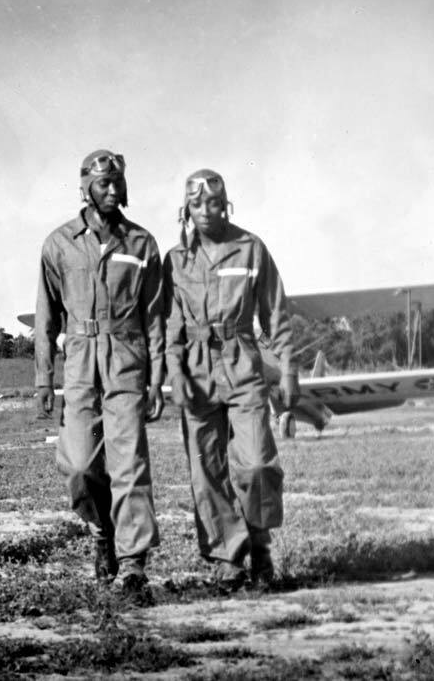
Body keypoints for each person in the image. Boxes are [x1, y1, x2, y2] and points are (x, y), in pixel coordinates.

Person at [35, 150, 165, 592]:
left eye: (116, 183)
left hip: (127, 359)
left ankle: (132, 564)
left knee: (129, 464)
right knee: (78, 466)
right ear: (85, 187)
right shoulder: (59, 243)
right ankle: (102, 532)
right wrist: (43, 379)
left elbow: (156, 318)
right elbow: (45, 316)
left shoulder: (142, 244)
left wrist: (157, 378)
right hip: (79, 361)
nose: (111, 191)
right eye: (102, 183)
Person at [164, 169, 299, 591]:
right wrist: (175, 372)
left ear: (227, 205)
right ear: (186, 209)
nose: (207, 211)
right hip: (197, 368)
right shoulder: (175, 260)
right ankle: (230, 560)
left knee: (257, 462)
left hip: (242, 361)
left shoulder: (250, 248)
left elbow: (276, 315)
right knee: (207, 470)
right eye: (198, 204)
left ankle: (260, 547)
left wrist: (290, 369)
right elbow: (169, 325)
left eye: (216, 203)